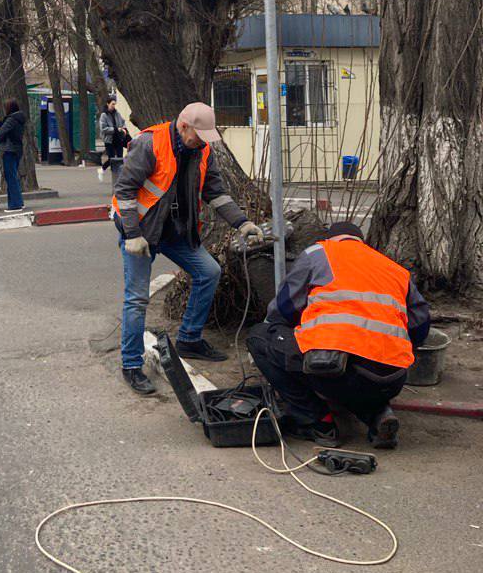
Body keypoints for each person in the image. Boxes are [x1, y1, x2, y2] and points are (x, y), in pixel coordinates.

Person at [112, 101, 264, 394]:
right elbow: (125, 190)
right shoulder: (149, 143)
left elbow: (215, 192)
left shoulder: (202, 149)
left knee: (209, 271)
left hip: (174, 231)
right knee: (137, 299)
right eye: (199, 136)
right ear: (183, 127)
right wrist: (132, 234)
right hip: (141, 232)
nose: (202, 143)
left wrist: (242, 223)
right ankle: (131, 365)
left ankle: (190, 339)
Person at [247, 222, 430, 448]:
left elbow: (284, 308)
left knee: (259, 337)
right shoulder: (393, 267)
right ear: (361, 242)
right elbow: (421, 324)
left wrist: (293, 331)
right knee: (362, 375)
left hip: (335, 368)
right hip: (392, 378)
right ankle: (378, 414)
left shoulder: (318, 253)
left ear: (330, 238)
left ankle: (317, 422)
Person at [0, 99, 25, 213]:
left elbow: (2, 133)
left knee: (11, 178)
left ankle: (14, 205)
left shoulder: (11, 119)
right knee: (14, 177)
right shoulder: (18, 119)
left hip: (10, 150)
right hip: (17, 150)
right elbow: (8, 130)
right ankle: (19, 202)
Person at [97, 97, 127, 182]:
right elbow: (103, 129)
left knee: (120, 158)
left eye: (115, 104)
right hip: (109, 140)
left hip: (118, 139)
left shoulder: (117, 113)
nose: (114, 106)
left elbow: (122, 122)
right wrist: (116, 129)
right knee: (111, 159)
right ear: (108, 104)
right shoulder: (104, 115)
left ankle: (119, 177)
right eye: (112, 104)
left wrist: (124, 128)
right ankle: (102, 170)